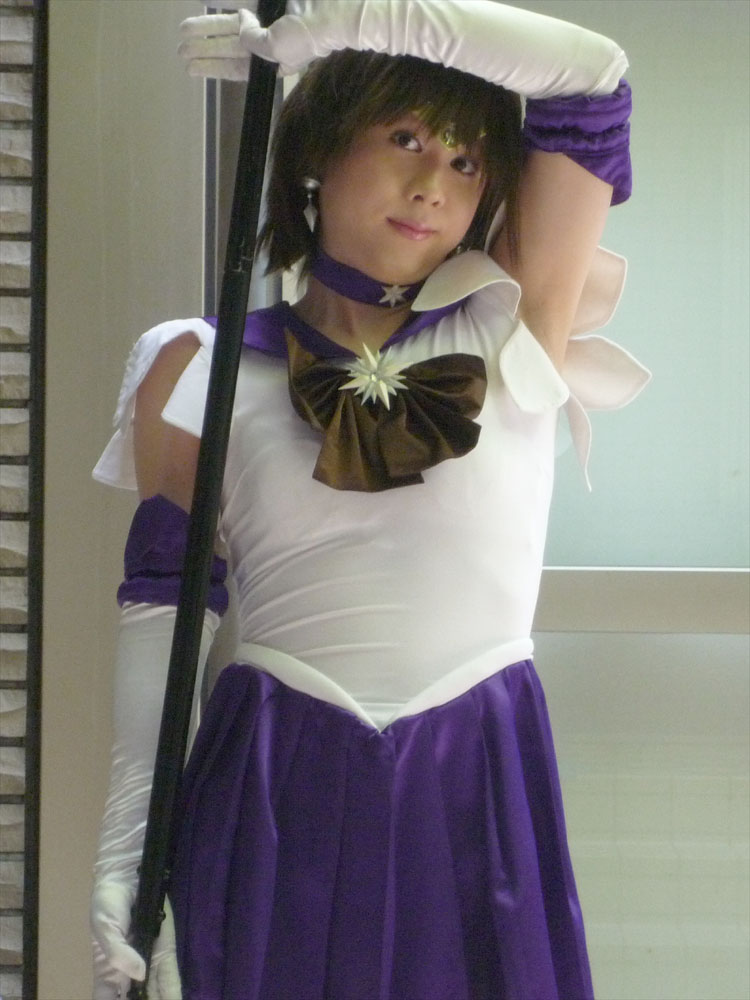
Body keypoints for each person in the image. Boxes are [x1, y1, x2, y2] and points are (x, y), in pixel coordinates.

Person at [90, 2, 650, 998]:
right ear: (321, 149)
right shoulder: (198, 365)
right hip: (272, 783)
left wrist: (348, 21)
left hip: (479, 779)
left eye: (468, 162)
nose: (434, 184)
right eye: (404, 138)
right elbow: (165, 619)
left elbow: (593, 79)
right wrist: (128, 851)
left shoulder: (514, 328)